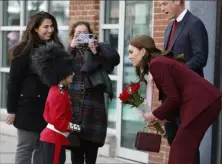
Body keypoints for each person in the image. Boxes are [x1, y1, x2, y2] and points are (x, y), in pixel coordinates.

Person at [128, 35, 221, 164]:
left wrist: (154, 115)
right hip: (205, 103)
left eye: (131, 52)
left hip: (202, 104)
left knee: (179, 153)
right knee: (184, 153)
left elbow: (173, 99)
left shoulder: (157, 64)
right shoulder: (158, 62)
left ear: (143, 51)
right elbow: (174, 97)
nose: (129, 56)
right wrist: (161, 118)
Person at [6, 11, 63, 164]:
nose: (50, 30)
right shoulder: (23, 50)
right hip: (28, 107)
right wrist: (11, 110)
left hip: (49, 106)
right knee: (25, 147)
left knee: (42, 148)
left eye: (52, 26)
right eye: (46, 26)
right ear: (35, 28)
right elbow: (14, 81)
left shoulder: (57, 48)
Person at [159, 0, 208, 162]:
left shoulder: (195, 24)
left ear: (178, 1)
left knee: (188, 146)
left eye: (165, 3)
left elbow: (200, 59)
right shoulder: (168, 28)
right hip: (171, 98)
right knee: (174, 142)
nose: (162, 8)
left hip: (188, 97)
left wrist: (174, 72)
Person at [66, 21, 120, 164]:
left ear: (91, 35)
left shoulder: (97, 51)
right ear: (73, 35)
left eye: (85, 33)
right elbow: (60, 68)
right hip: (75, 103)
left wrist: (96, 51)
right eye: (78, 33)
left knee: (91, 149)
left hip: (94, 104)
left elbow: (111, 65)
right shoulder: (69, 52)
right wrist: (71, 48)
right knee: (76, 148)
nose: (82, 36)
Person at [31, 42, 81, 164]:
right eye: (70, 72)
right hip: (54, 138)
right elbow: (57, 121)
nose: (73, 74)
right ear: (61, 73)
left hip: (55, 138)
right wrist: (76, 127)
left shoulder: (57, 90)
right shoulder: (59, 93)